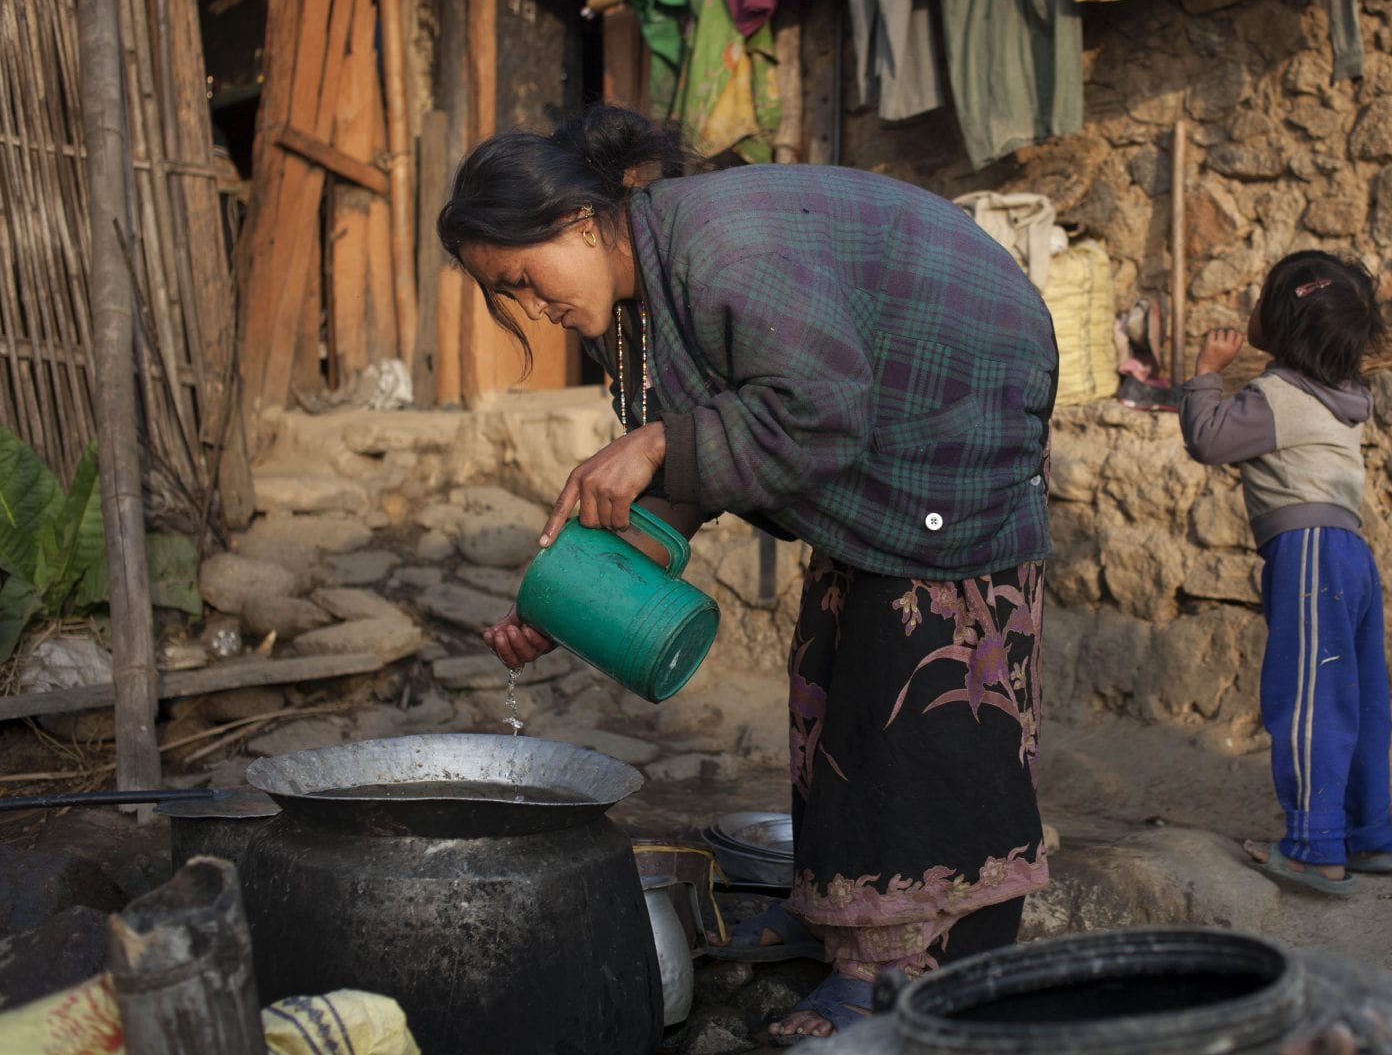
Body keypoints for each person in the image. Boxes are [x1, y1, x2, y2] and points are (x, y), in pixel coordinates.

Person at [437, 106, 1058, 1039]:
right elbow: (702, 463)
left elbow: (818, 407)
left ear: (575, 218)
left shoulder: (720, 246)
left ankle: (920, 972)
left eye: (523, 280)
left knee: (924, 697)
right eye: (504, 299)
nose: (529, 310)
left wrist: (651, 445)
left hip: (951, 412)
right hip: (879, 447)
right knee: (837, 685)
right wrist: (575, 594)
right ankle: (846, 925)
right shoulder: (637, 307)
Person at [1176, 250, 1392, 897]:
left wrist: (1206, 374)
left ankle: (1312, 847)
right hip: (1350, 553)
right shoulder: (1343, 397)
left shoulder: (1279, 396)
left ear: (1283, 318)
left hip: (1308, 554)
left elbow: (1209, 440)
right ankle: (1367, 835)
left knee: (1305, 699)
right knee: (1357, 699)